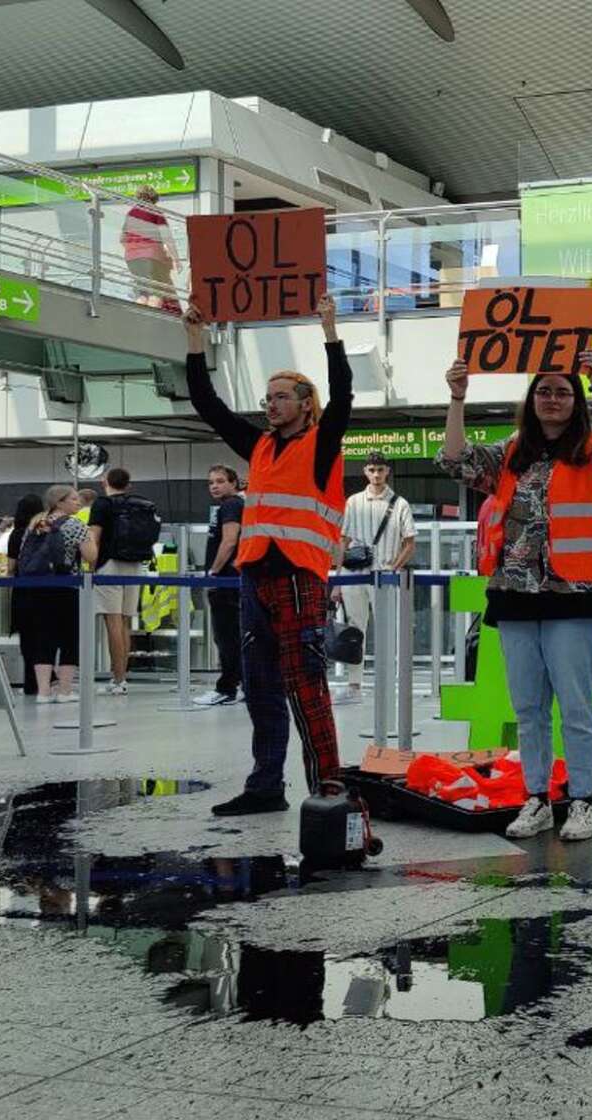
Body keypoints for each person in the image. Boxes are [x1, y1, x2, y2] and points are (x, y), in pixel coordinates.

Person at [439, 351, 592, 842]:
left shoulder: (591, 449)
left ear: (576, 400)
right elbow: (455, 459)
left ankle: (583, 800)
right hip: (515, 593)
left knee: (577, 706)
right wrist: (458, 397)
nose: (551, 399)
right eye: (543, 390)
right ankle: (537, 798)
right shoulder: (510, 452)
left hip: (573, 594)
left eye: (562, 392)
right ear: (531, 398)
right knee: (528, 708)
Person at [182, 296, 352, 817]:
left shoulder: (323, 443)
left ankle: (328, 789)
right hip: (256, 577)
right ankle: (265, 786)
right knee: (260, 684)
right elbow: (208, 405)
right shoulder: (259, 447)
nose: (270, 404)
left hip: (299, 578)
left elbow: (343, 393)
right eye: (268, 397)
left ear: (305, 403)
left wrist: (329, 330)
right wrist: (194, 341)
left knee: (306, 685)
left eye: (281, 397)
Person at [336, 452, 417, 705]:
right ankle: (354, 685)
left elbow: (410, 542)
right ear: (365, 472)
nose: (376, 474)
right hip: (354, 574)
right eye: (372, 470)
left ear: (387, 472)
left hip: (384, 575)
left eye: (380, 470)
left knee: (388, 629)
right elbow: (343, 540)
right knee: (354, 629)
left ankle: (387, 682)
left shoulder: (399, 503)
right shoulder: (354, 502)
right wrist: (338, 579)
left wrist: (393, 568)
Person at [19, 485, 96, 705]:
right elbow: (91, 556)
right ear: (59, 502)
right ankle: (64, 690)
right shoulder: (75, 525)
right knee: (69, 637)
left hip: (38, 587)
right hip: (66, 586)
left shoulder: (37, 523)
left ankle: (43, 692)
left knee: (43, 636)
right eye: (73, 499)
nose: (78, 502)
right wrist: (90, 537)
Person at [88, 467, 157, 696]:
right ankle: (122, 677)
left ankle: (117, 679)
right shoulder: (141, 503)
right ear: (129, 485)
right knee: (126, 622)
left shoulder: (102, 504)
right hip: (135, 564)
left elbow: (94, 538)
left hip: (110, 565)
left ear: (104, 481)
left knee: (113, 623)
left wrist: (90, 567)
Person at [195, 465, 245, 707]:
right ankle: (244, 684)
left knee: (226, 636)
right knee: (233, 635)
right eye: (211, 482)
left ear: (234, 483)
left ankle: (227, 687)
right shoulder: (229, 506)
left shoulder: (231, 505)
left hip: (226, 580)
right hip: (231, 580)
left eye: (220, 481)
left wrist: (213, 572)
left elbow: (229, 541)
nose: (214, 486)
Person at [2, 493, 44, 697]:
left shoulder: (16, 534)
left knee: (27, 638)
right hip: (44, 589)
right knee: (43, 636)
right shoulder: (43, 531)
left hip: (22, 589)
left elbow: (11, 566)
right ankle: (45, 681)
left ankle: (30, 682)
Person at [121, 185, 178, 307]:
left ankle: (140, 322)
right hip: (152, 257)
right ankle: (152, 322)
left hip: (132, 259)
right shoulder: (154, 211)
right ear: (153, 197)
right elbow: (167, 236)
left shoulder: (131, 213)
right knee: (156, 293)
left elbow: (122, 239)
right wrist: (176, 259)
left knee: (142, 293)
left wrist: (134, 249)